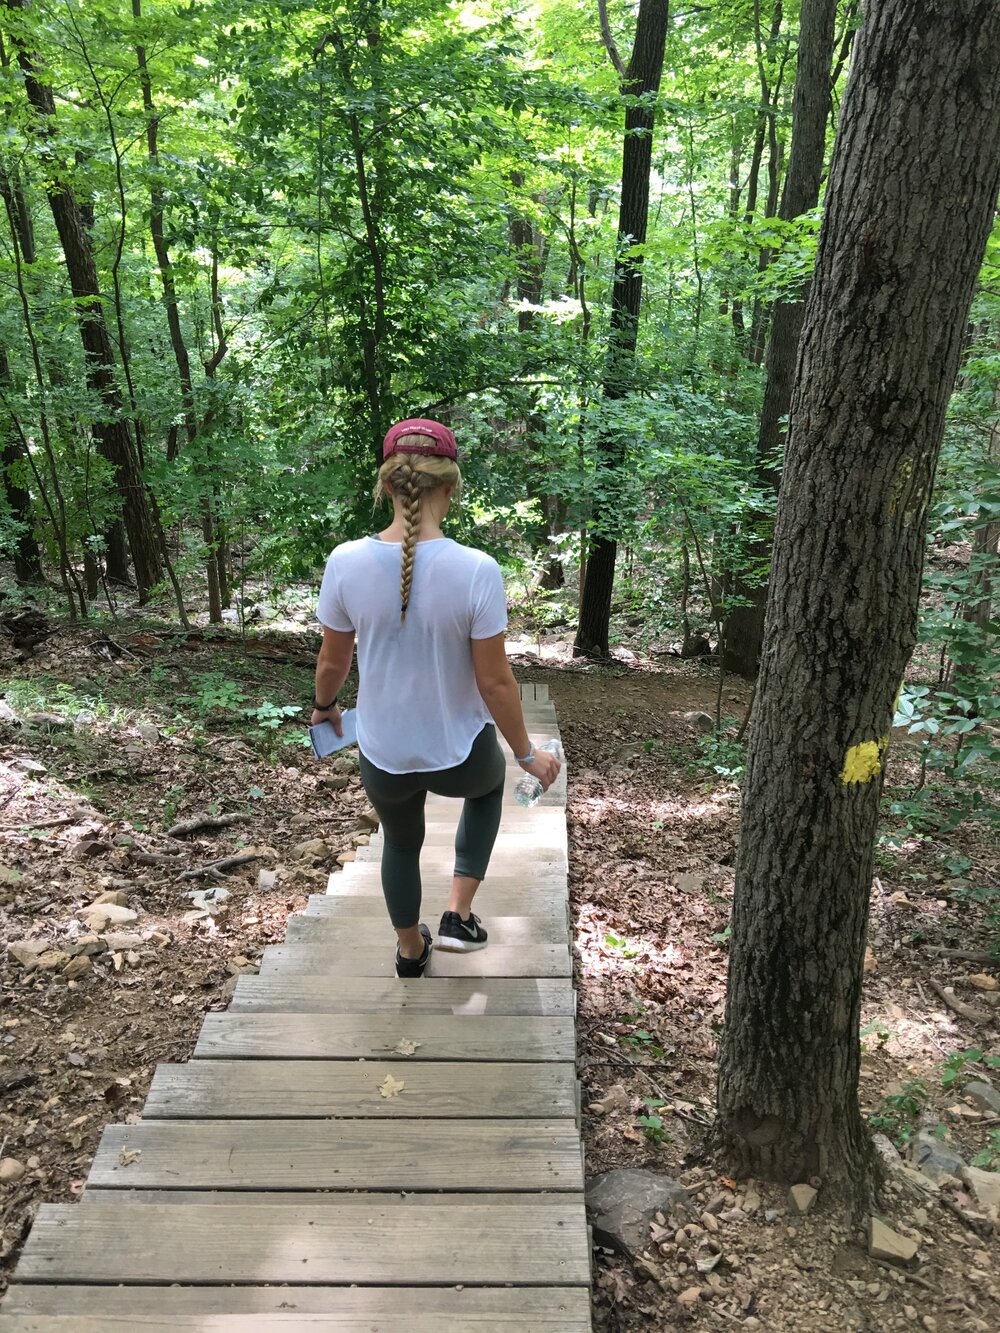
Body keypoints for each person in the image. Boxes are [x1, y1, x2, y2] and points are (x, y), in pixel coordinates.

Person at [311, 418, 562, 977]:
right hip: (461, 758)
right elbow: (495, 683)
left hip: (384, 757)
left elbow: (332, 662)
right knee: (490, 784)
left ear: (385, 486)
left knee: (400, 844)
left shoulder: (344, 562)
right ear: (450, 487)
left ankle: (409, 950)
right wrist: (526, 754)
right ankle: (458, 914)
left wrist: (325, 707)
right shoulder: (477, 570)